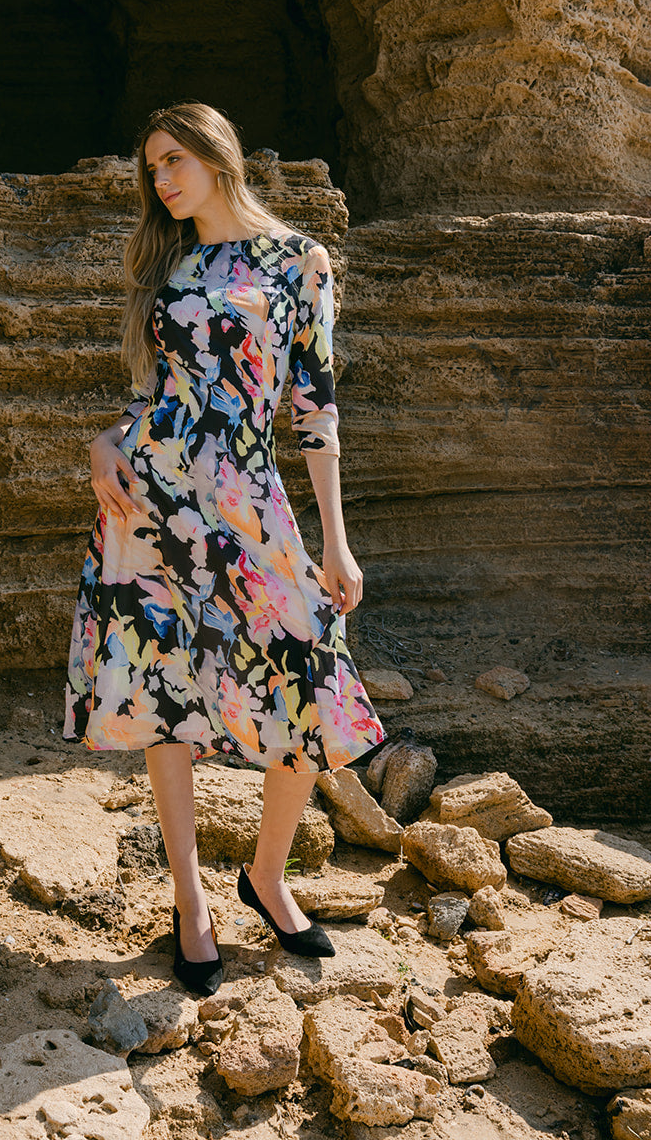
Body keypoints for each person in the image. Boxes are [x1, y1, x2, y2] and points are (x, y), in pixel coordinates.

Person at [64, 102, 385, 995]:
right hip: (147, 495)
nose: (161, 180)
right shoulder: (167, 262)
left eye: (173, 159)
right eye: (151, 168)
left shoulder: (298, 261)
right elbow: (156, 392)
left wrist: (334, 545)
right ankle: (191, 903)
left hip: (246, 495)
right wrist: (106, 439)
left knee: (308, 661)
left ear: (217, 155)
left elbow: (313, 411)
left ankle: (266, 876)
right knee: (163, 683)